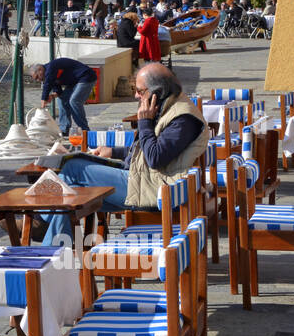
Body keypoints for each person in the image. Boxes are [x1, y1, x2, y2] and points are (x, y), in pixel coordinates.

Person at [38, 63, 209, 245]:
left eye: (139, 90)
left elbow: (155, 158)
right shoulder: (170, 107)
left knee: (73, 169)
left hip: (156, 191)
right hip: (144, 180)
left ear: (157, 92)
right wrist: (113, 151)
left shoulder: (183, 118)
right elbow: (152, 149)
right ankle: (53, 258)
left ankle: (40, 222)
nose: (135, 95)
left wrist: (144, 122)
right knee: (70, 196)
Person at [30, 58, 97, 137]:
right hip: (75, 82)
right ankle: (64, 129)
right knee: (61, 99)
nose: (38, 80)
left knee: (74, 101)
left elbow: (47, 84)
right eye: (36, 79)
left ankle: (85, 130)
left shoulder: (51, 67)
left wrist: (43, 99)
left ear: (40, 69)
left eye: (37, 77)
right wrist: (52, 96)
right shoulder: (50, 75)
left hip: (86, 77)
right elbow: (58, 91)